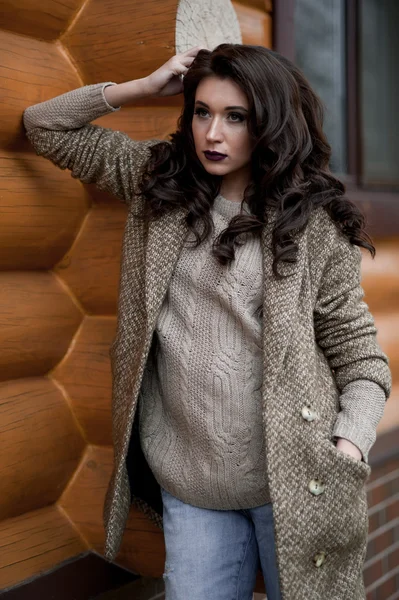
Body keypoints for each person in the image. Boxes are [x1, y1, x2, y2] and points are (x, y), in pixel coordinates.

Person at [23, 44, 391, 600]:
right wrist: (143, 87)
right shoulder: (159, 187)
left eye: (235, 117)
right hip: (191, 491)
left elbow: (361, 358)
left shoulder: (313, 227)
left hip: (295, 483)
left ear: (270, 123)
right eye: (202, 111)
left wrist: (349, 445)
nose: (212, 134)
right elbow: (43, 127)